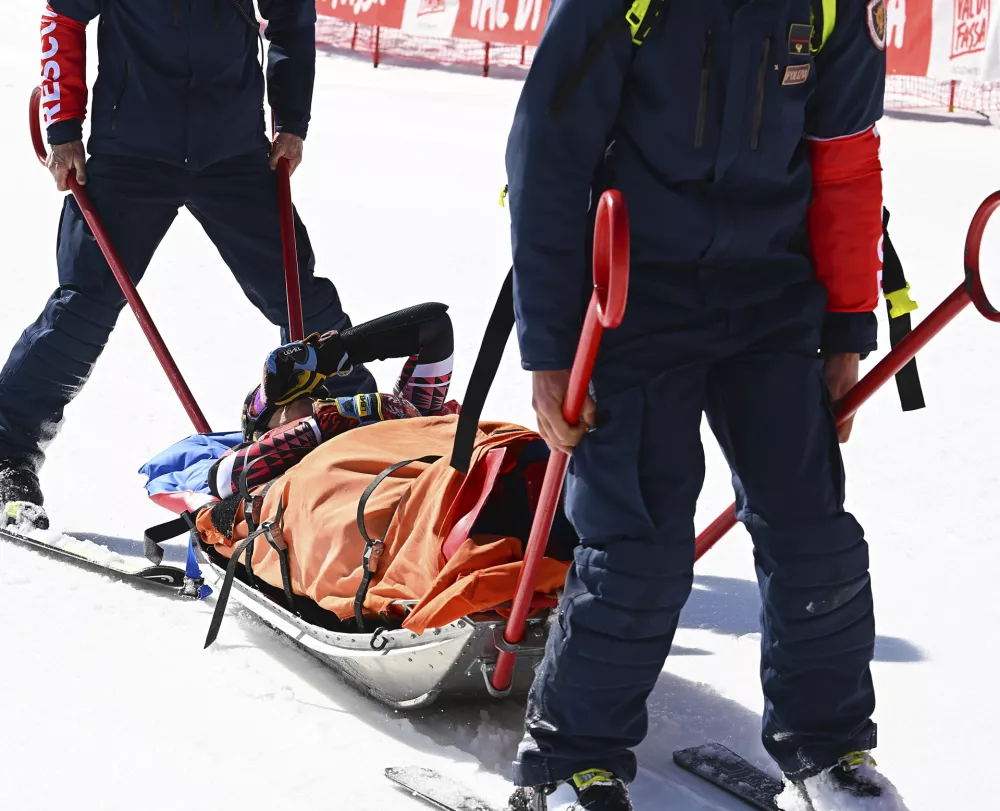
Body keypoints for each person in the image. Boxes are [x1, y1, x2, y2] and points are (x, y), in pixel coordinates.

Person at [502, 0, 909, 809]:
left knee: (811, 533)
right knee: (643, 546)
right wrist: (549, 350)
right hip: (635, 298)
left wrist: (845, 328)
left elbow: (845, 161)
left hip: (772, 298)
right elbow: (547, 153)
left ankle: (830, 753)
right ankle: (571, 756)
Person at [0, 0, 375, 522]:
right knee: (82, 308)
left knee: (299, 298)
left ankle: (362, 432)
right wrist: (63, 128)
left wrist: (292, 121)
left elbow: (291, 14)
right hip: (130, 152)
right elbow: (62, 16)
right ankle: (6, 454)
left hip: (234, 152)